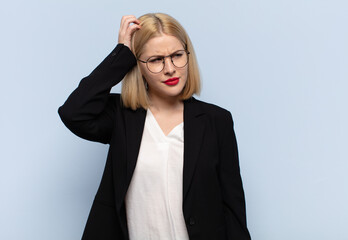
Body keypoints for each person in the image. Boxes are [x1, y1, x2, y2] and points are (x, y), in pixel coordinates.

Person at [58, 13, 251, 240]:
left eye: (177, 55)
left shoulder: (216, 121)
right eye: (156, 60)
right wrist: (122, 53)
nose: (170, 68)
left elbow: (233, 208)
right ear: (138, 66)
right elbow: (73, 112)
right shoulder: (122, 116)